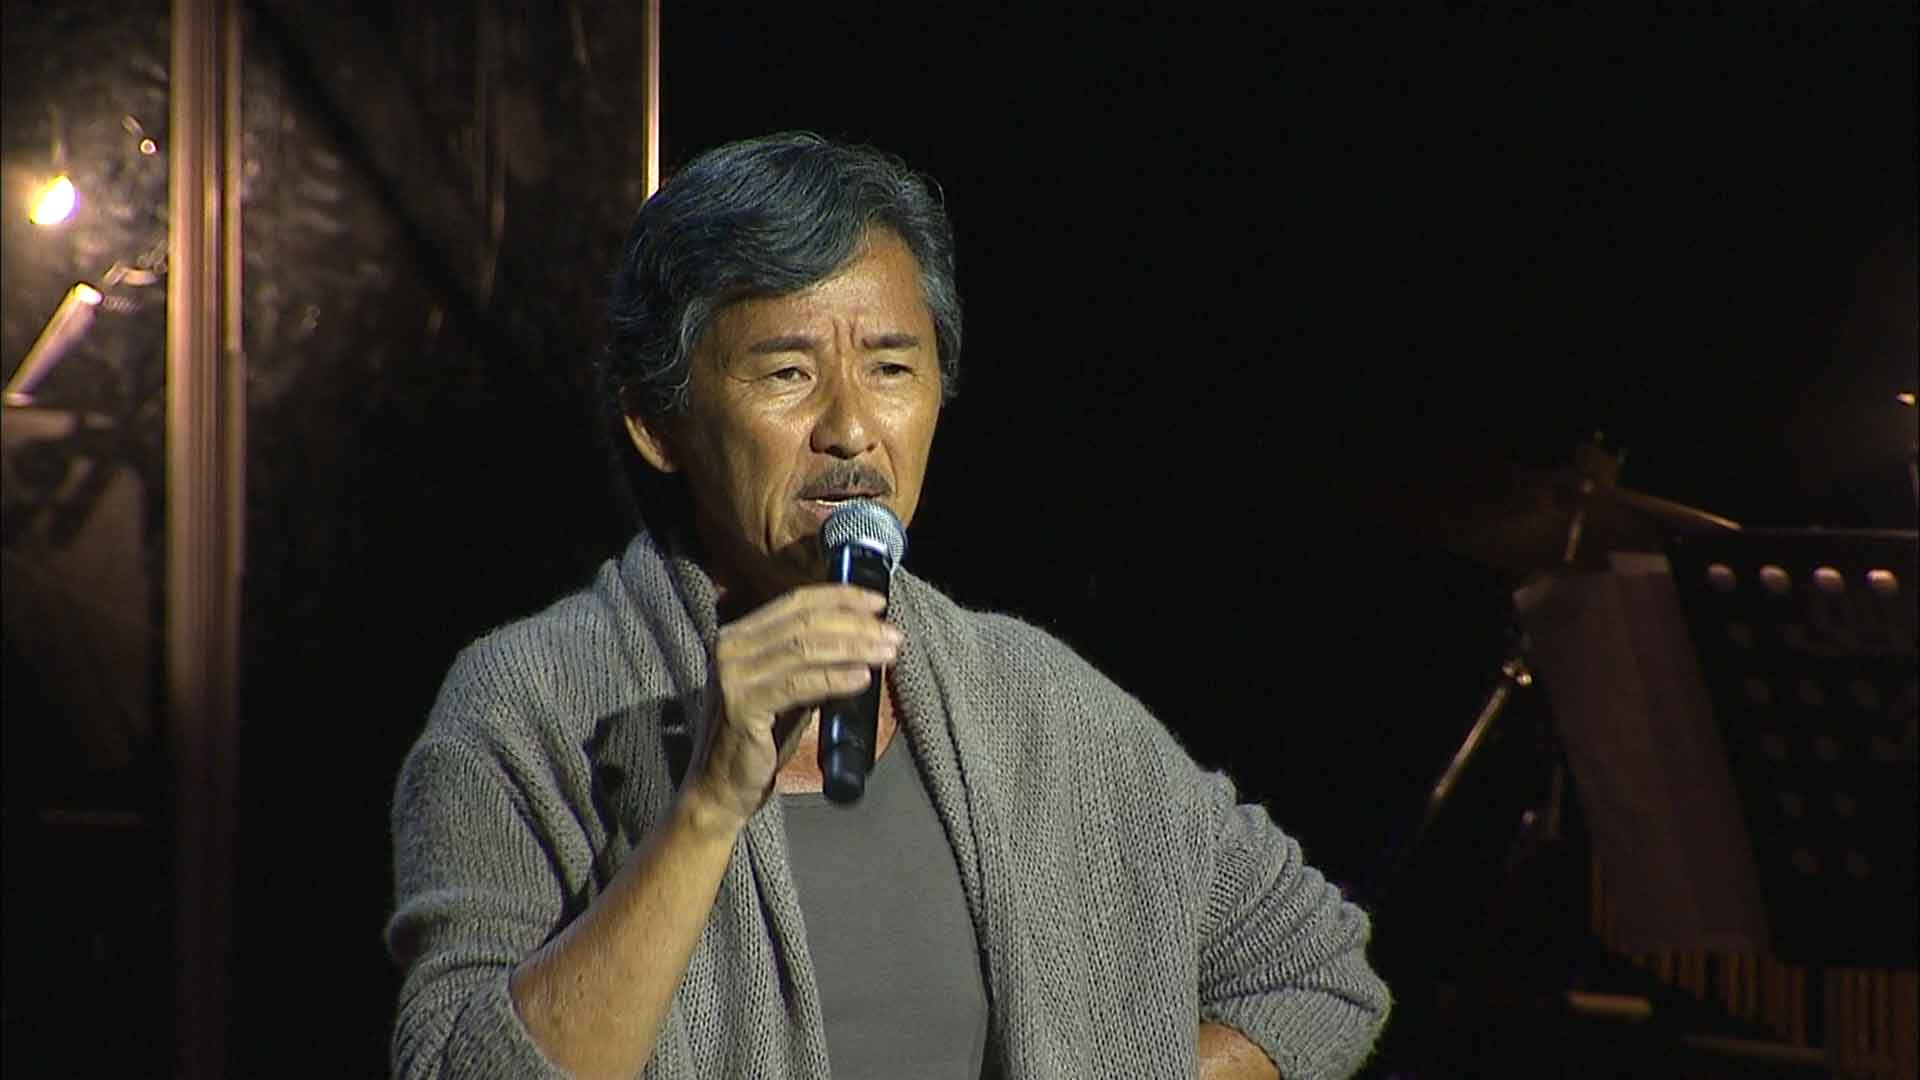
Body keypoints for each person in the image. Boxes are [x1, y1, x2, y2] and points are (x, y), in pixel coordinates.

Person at [385, 131, 1390, 1079]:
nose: (852, 428)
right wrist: (708, 805)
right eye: (788, 372)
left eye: (892, 368)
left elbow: (1315, 974)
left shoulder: (1033, 703)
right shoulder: (529, 707)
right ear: (658, 422)